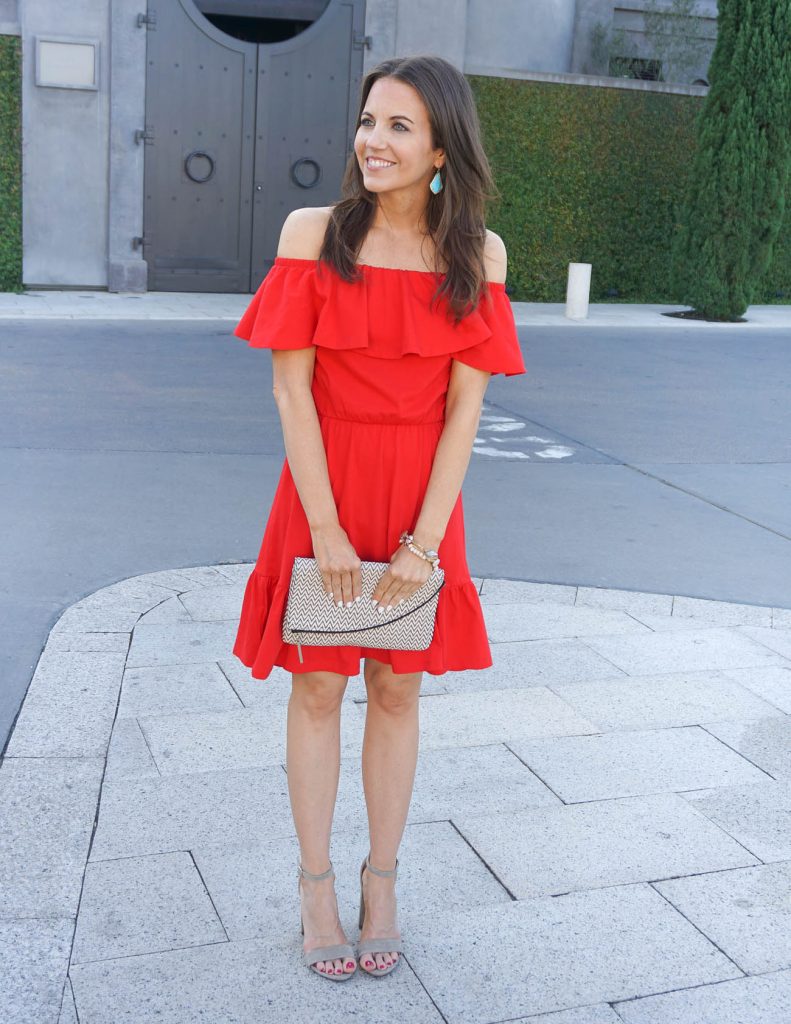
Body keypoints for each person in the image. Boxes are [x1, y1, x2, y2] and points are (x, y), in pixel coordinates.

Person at [231, 54, 526, 981]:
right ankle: (316, 885)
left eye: (399, 125)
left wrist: (424, 542)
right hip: (322, 488)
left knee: (398, 690)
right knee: (317, 687)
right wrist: (324, 530)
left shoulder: (478, 255)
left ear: (442, 147)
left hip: (419, 502)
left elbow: (466, 408)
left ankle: (382, 881)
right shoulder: (310, 233)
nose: (374, 140)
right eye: (368, 121)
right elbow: (291, 392)